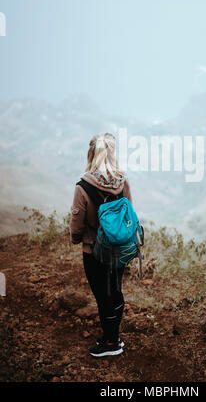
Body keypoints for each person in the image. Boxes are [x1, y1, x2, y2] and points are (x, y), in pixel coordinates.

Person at [69, 133, 132, 357]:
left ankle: (110, 344)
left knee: (102, 295)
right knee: (115, 290)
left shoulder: (83, 186)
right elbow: (129, 214)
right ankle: (114, 336)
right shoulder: (123, 181)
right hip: (120, 249)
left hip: (94, 250)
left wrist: (76, 239)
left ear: (91, 155)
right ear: (112, 155)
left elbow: (77, 222)